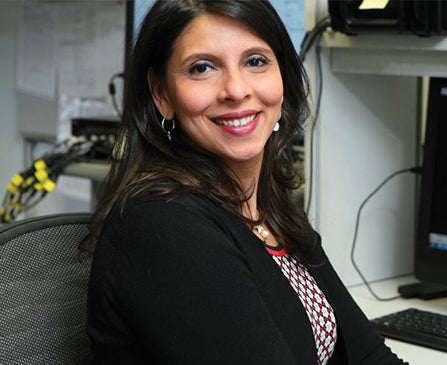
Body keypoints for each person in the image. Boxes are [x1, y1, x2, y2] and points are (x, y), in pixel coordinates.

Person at [85, 1, 408, 364]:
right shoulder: (163, 224)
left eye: (256, 61)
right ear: (162, 94)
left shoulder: (268, 211)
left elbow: (369, 357)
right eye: (202, 68)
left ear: (283, 76)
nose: (236, 90)